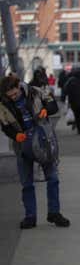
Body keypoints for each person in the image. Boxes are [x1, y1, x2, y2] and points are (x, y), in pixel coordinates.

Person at [0, 75, 70, 229]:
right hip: (22, 145)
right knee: (27, 183)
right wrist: (15, 135)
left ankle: (54, 213)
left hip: (43, 141)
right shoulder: (3, 104)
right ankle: (30, 216)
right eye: (9, 96)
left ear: (19, 86)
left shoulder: (36, 92)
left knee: (52, 178)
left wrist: (46, 110)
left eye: (15, 94)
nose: (13, 97)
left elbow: (54, 106)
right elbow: (5, 126)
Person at [64, 68, 80, 134]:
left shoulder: (71, 81)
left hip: (74, 102)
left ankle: (79, 128)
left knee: (77, 116)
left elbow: (66, 90)